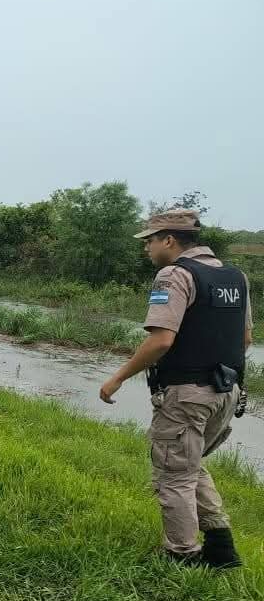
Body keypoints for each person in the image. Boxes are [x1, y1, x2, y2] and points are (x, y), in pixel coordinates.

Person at [99, 209, 250, 569]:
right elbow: (245, 339)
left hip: (186, 393)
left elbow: (161, 341)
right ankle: (221, 546)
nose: (147, 248)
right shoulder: (236, 277)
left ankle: (181, 555)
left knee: (174, 474)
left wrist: (118, 376)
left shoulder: (174, 275)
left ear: (168, 239)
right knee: (190, 464)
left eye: (149, 240)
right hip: (226, 392)